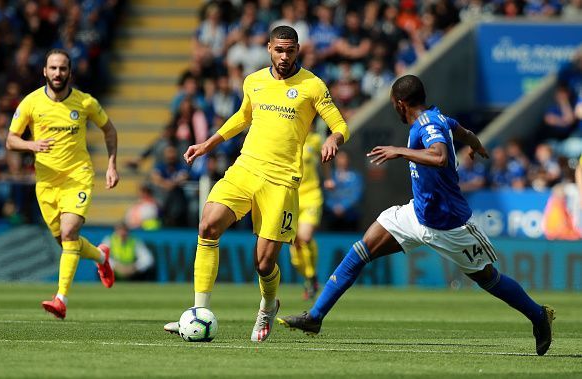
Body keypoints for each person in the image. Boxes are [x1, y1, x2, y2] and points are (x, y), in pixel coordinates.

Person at [278, 75, 555, 356]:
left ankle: (538, 315)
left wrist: (400, 151)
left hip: (450, 225)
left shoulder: (428, 124)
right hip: (416, 214)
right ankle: (315, 316)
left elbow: (439, 157)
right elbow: (464, 132)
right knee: (361, 250)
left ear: (400, 104)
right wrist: (476, 145)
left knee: (488, 278)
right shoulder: (439, 118)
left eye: (393, 105)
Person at [163, 26, 349, 342]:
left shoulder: (313, 86)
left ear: (298, 49)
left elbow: (340, 123)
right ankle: (198, 312)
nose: (284, 56)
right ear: (268, 48)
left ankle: (267, 306)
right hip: (246, 168)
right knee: (208, 226)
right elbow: (242, 117)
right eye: (279, 50)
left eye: (290, 50)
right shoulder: (254, 81)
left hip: (281, 180)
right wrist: (207, 144)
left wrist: (333, 139)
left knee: (263, 264)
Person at [6, 49, 119, 320]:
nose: (58, 73)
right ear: (45, 71)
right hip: (46, 183)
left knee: (70, 233)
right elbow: (11, 140)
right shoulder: (31, 103)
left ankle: (61, 299)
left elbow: (109, 130)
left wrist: (112, 164)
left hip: (77, 175)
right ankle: (102, 257)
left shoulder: (85, 102)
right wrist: (31, 144)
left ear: (70, 72)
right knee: (66, 242)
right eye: (53, 68)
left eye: (63, 69)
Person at [289, 128, 334, 300]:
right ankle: (311, 277)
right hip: (292, 196)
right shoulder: (289, 136)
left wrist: (328, 178)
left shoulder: (315, 140)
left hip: (312, 195)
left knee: (305, 237)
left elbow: (325, 159)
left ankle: (310, 278)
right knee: (296, 246)